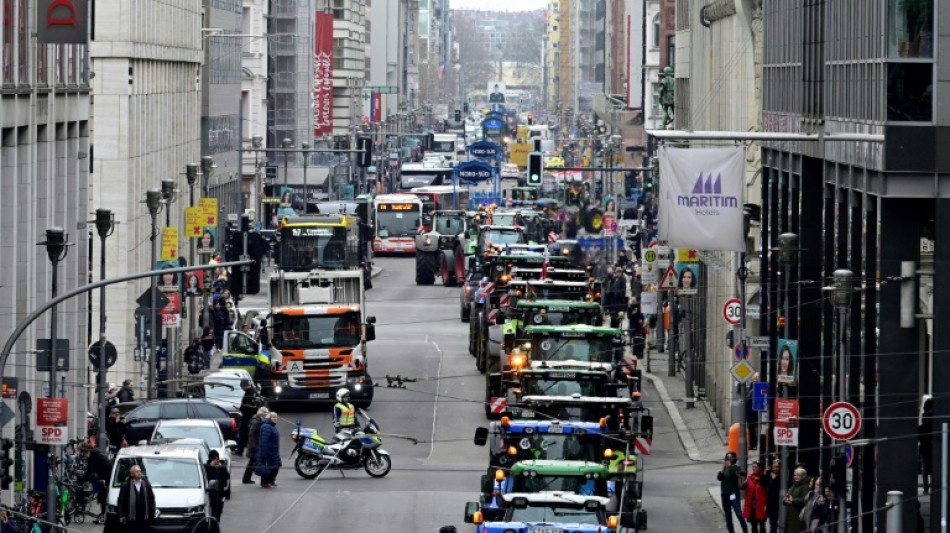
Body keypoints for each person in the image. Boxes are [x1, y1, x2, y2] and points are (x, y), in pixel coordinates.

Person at [117, 464, 156, 533]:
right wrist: (121, 515)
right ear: (132, 474)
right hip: (131, 519)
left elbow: (151, 498)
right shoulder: (126, 485)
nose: (139, 473)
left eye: (140, 471)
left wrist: (152, 511)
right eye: (137, 471)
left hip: (144, 518)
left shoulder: (146, 484)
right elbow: (121, 501)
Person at [80, 444, 112, 523]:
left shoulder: (96, 457)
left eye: (84, 454)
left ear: (87, 452)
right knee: (102, 497)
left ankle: (103, 516)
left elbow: (105, 467)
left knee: (103, 497)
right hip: (104, 477)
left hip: (106, 478)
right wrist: (84, 478)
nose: (85, 456)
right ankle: (103, 514)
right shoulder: (93, 456)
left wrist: (97, 475)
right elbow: (90, 469)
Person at [718, 452, 748, 533]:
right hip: (725, 494)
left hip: (733, 494)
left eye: (730, 458)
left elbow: (735, 477)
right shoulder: (724, 468)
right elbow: (720, 478)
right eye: (727, 458)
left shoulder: (736, 468)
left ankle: (745, 530)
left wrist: (730, 468)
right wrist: (722, 470)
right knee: (728, 516)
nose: (728, 460)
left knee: (738, 513)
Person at [243, 406, 268, 484]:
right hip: (254, 446)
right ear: (262, 413)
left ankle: (247, 478)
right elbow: (251, 434)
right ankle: (247, 478)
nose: (267, 414)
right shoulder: (256, 421)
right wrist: (253, 445)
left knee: (252, 462)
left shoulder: (259, 420)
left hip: (255, 445)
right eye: (266, 413)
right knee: (253, 462)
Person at [742, 460, 768, 533]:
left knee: (762, 525)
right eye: (753, 467)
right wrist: (739, 477)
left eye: (755, 467)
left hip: (761, 505)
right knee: (753, 525)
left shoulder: (764, 478)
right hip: (751, 506)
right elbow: (742, 487)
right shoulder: (750, 477)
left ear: (760, 468)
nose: (753, 469)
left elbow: (766, 488)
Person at [257, 412, 282, 488]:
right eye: (273, 417)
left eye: (276, 417)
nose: (275, 419)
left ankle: (271, 480)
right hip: (268, 451)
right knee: (266, 467)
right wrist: (264, 453)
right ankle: (265, 482)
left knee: (275, 466)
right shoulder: (266, 427)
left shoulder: (272, 426)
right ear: (269, 418)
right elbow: (264, 441)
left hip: (273, 451)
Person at [204, 450, 229, 522]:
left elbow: (227, 476)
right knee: (213, 511)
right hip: (211, 493)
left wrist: (221, 467)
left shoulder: (222, 468)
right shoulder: (207, 467)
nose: (216, 461)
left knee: (220, 509)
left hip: (222, 494)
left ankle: (217, 521)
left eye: (217, 459)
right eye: (214, 459)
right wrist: (211, 466)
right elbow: (205, 471)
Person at [783, 467, 809, 533]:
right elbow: (789, 496)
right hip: (790, 517)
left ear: (802, 476)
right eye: (795, 475)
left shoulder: (805, 487)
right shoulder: (793, 485)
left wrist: (793, 500)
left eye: (798, 475)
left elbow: (804, 500)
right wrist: (786, 500)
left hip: (798, 517)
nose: (795, 477)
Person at [237, 379, 260, 455]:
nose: (241, 389)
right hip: (246, 416)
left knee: (249, 435)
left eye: (242, 387)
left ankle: (250, 451)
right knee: (242, 434)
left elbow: (253, 406)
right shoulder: (250, 392)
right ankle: (240, 450)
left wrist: (242, 408)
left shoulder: (252, 393)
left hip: (249, 417)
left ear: (244, 386)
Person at [766, 458, 782, 533]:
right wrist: (765, 474)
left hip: (777, 502)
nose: (775, 468)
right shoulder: (769, 475)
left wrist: (774, 479)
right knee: (772, 523)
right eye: (774, 466)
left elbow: (776, 488)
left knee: (775, 524)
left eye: (777, 467)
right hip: (770, 502)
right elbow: (764, 484)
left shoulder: (780, 477)